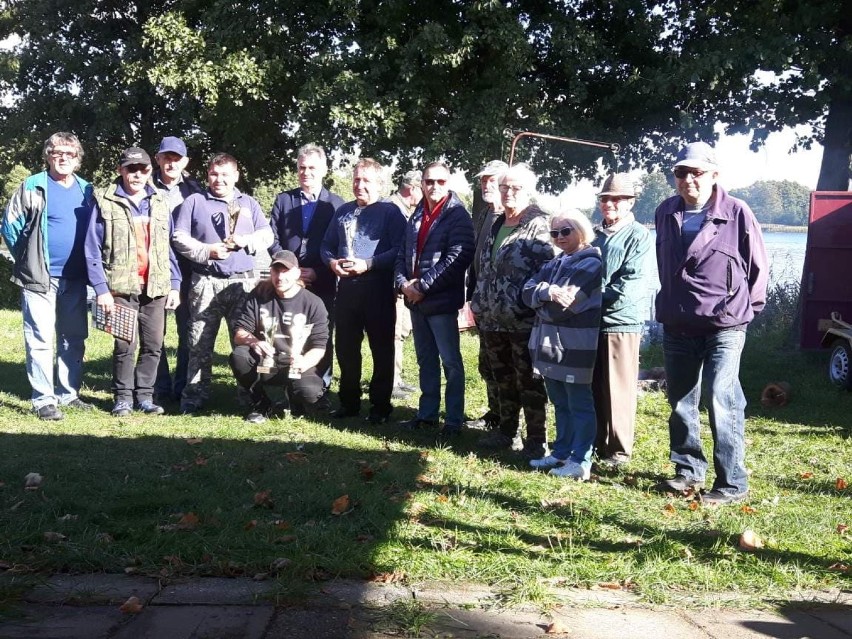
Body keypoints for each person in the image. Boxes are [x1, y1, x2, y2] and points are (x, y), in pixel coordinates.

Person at [653, 141, 768, 505]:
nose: (688, 179)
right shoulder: (665, 211)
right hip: (677, 322)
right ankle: (688, 470)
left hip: (725, 323)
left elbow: (757, 267)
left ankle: (732, 483)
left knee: (722, 396)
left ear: (714, 175)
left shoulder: (737, 212)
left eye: (697, 172)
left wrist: (745, 308)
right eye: (681, 173)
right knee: (680, 400)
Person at [1, 132, 95, 420]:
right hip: (39, 278)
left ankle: (68, 394)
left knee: (73, 337)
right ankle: (44, 399)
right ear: (48, 156)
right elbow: (10, 226)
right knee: (40, 337)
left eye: (69, 153)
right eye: (56, 152)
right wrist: (27, 259)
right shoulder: (33, 186)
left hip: (77, 277)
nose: (62, 158)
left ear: (77, 158)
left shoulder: (87, 190)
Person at [172, 153, 273, 414]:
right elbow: (179, 237)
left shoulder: (248, 203)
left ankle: (248, 394)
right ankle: (194, 395)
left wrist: (245, 241)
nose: (219, 180)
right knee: (198, 343)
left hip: (242, 285)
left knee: (246, 342)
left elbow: (267, 235)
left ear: (236, 176)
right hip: (206, 281)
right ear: (208, 175)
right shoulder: (194, 201)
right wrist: (207, 251)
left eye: (225, 174)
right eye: (214, 174)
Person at [85, 147, 181, 416]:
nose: (137, 174)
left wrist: (175, 284)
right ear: (120, 170)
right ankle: (122, 398)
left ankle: (145, 397)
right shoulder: (104, 201)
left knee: (154, 346)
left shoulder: (160, 201)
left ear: (151, 171)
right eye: (131, 169)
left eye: (143, 169)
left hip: (156, 287)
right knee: (125, 345)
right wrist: (101, 289)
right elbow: (92, 250)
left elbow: (169, 247)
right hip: (120, 287)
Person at [470, 164, 557, 457]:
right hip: (492, 318)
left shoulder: (538, 225)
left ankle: (536, 440)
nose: (509, 192)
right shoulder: (495, 223)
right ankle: (507, 433)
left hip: (524, 320)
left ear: (528, 190)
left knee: (529, 381)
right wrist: (478, 304)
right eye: (505, 187)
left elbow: (550, 270)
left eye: (516, 187)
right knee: (502, 379)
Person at [320, 158, 406, 424]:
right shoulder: (343, 211)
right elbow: (326, 245)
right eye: (356, 179)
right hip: (346, 290)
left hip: (377, 290)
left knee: (381, 351)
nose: (360, 185)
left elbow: (400, 250)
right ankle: (349, 402)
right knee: (346, 348)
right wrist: (332, 263)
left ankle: (380, 407)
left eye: (366, 180)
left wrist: (368, 264)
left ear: (379, 183)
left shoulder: (390, 212)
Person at [394, 162, 475, 437]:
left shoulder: (457, 215)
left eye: (440, 182)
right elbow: (402, 254)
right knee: (425, 360)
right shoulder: (418, 213)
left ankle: (453, 420)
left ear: (448, 183)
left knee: (450, 362)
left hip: (439, 301)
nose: (434, 187)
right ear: (421, 184)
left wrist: (423, 286)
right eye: (429, 181)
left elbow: (458, 257)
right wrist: (403, 284)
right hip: (415, 301)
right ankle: (426, 414)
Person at [523, 210, 602, 480]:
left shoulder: (590, 263)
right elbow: (526, 290)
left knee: (578, 402)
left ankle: (581, 460)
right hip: (548, 346)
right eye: (554, 233)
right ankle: (561, 452)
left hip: (575, 346)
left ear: (581, 229)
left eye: (565, 231)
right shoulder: (556, 261)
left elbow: (561, 310)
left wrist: (539, 300)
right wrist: (547, 292)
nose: (559, 237)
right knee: (559, 400)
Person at [268, 144, 344, 399]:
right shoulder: (283, 200)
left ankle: (320, 385)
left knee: (322, 334)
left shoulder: (336, 205)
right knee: (284, 332)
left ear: (323, 170)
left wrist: (319, 272)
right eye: (302, 167)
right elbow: (273, 239)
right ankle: (282, 382)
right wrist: (290, 270)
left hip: (321, 282)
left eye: (312, 168)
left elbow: (339, 246)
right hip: (287, 284)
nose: (306, 172)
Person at [590, 174, 652, 468]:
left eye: (616, 199)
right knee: (593, 385)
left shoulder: (638, 235)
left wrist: (588, 298)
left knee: (618, 387)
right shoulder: (594, 234)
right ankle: (595, 441)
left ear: (629, 203)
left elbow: (629, 283)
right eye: (604, 198)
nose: (609, 204)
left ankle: (618, 450)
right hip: (590, 321)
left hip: (620, 322)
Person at [230, 250, 329, 423]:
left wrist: (304, 362)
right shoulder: (259, 295)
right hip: (267, 362)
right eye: (276, 271)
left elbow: (319, 346)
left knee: (310, 392)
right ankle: (261, 403)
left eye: (286, 272)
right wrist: (254, 342)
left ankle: (294, 399)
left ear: (297, 273)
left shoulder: (313, 303)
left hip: (296, 363)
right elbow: (239, 332)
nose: (280, 277)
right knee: (239, 356)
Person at [151, 136, 203, 404]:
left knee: (187, 331)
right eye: (166, 157)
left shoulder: (196, 191)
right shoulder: (144, 186)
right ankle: (160, 386)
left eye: (177, 158)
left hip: (186, 269)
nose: (171, 163)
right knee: (154, 332)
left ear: (185, 162)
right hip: (152, 268)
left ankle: (182, 384)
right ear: (157, 159)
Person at [464, 160, 509, 431]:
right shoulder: (485, 215)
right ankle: (495, 413)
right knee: (488, 363)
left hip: (508, 309)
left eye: (492, 180)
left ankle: (510, 420)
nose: (486, 184)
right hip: (483, 304)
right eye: (483, 180)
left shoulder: (520, 218)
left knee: (508, 367)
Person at [385, 169, 422, 399]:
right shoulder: (394, 210)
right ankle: (391, 381)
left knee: (401, 331)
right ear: (412, 188)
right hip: (394, 284)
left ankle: (396, 377)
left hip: (400, 282)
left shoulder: (402, 209)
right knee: (395, 332)